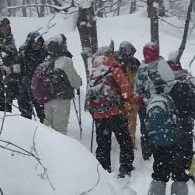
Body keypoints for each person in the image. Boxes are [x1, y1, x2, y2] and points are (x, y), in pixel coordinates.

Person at [135, 45, 195, 195]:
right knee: (180, 175)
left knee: (159, 173)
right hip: (181, 140)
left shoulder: (155, 91)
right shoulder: (182, 88)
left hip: (160, 141)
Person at [86, 44, 136, 177]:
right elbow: (125, 89)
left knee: (103, 144)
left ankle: (103, 170)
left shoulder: (93, 71)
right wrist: (131, 101)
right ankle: (125, 169)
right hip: (115, 111)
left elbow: (89, 95)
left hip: (99, 114)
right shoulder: (114, 68)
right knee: (125, 141)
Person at [31, 34, 83, 133]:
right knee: (60, 129)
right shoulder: (65, 61)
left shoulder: (46, 61)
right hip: (61, 99)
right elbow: (75, 82)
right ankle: (59, 148)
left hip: (48, 98)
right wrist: (79, 82)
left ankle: (46, 146)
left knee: (47, 127)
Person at [18, 30, 48, 119]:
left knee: (44, 116)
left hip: (41, 89)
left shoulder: (45, 54)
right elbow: (17, 70)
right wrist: (22, 78)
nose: (37, 44)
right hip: (25, 89)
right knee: (26, 115)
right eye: (34, 42)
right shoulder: (23, 54)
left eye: (39, 42)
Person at [117, 42, 141, 149]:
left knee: (131, 121)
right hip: (123, 97)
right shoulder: (118, 64)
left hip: (131, 97)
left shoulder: (135, 63)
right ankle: (126, 142)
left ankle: (130, 142)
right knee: (124, 121)